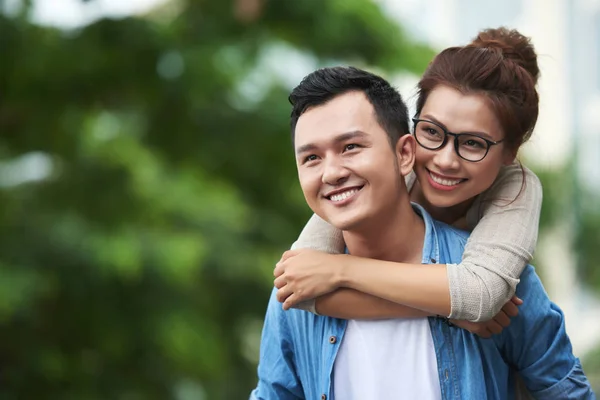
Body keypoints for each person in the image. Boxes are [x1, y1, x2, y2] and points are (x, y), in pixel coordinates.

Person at [250, 64, 594, 398]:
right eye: (311, 158)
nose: (331, 172)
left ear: (404, 154)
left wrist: (341, 270)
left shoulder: (502, 282)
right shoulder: (298, 288)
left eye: (350, 147)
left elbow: (566, 390)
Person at [276, 28, 544, 329]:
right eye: (431, 132)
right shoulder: (380, 168)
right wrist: (448, 309)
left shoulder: (517, 185)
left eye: (472, 143)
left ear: (511, 150)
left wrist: (341, 269)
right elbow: (298, 285)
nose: (445, 160)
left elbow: (480, 294)